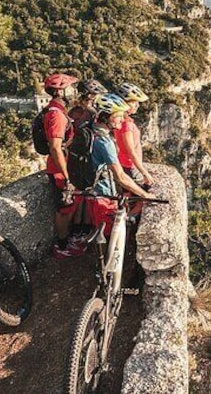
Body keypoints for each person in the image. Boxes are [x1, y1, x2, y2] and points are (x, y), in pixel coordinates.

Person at [59, 93, 155, 257]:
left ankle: (103, 263)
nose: (121, 120)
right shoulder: (104, 142)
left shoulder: (87, 129)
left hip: (90, 191)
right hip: (103, 196)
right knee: (109, 236)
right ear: (106, 117)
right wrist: (145, 195)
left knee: (101, 229)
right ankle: (106, 273)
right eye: (118, 116)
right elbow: (120, 177)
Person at [42, 72, 79, 258]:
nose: (75, 91)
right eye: (71, 87)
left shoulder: (55, 110)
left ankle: (66, 240)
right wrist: (67, 176)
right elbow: (56, 147)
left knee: (69, 206)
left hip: (58, 167)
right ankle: (62, 246)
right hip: (59, 170)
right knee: (64, 208)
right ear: (61, 91)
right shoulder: (57, 116)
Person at [114, 82, 154, 187]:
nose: (137, 105)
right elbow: (131, 152)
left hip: (124, 163)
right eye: (134, 102)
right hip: (130, 166)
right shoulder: (126, 124)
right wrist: (145, 173)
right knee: (135, 196)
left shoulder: (119, 120)